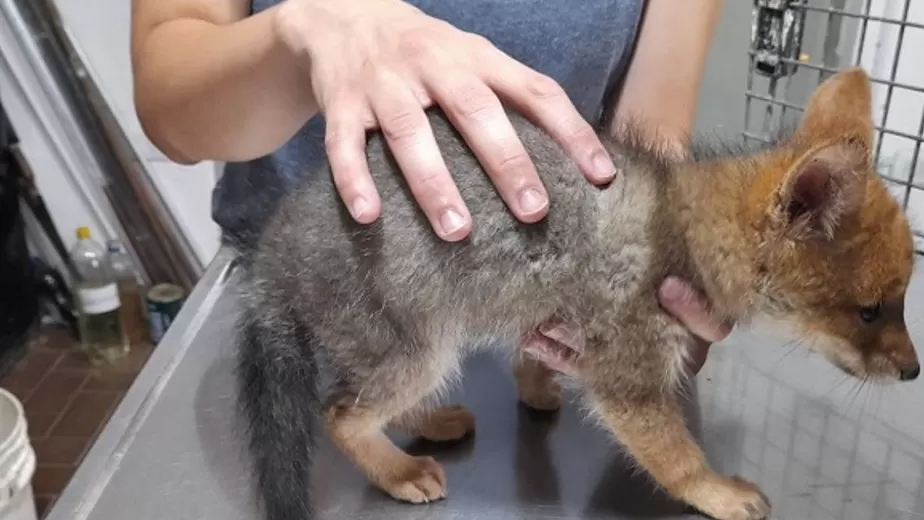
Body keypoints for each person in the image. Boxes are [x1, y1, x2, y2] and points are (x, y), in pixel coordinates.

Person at [130, 0, 731, 375]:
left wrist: (666, 283)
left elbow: (649, 140)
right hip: (304, 322)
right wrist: (307, 34)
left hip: (540, 335)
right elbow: (170, 107)